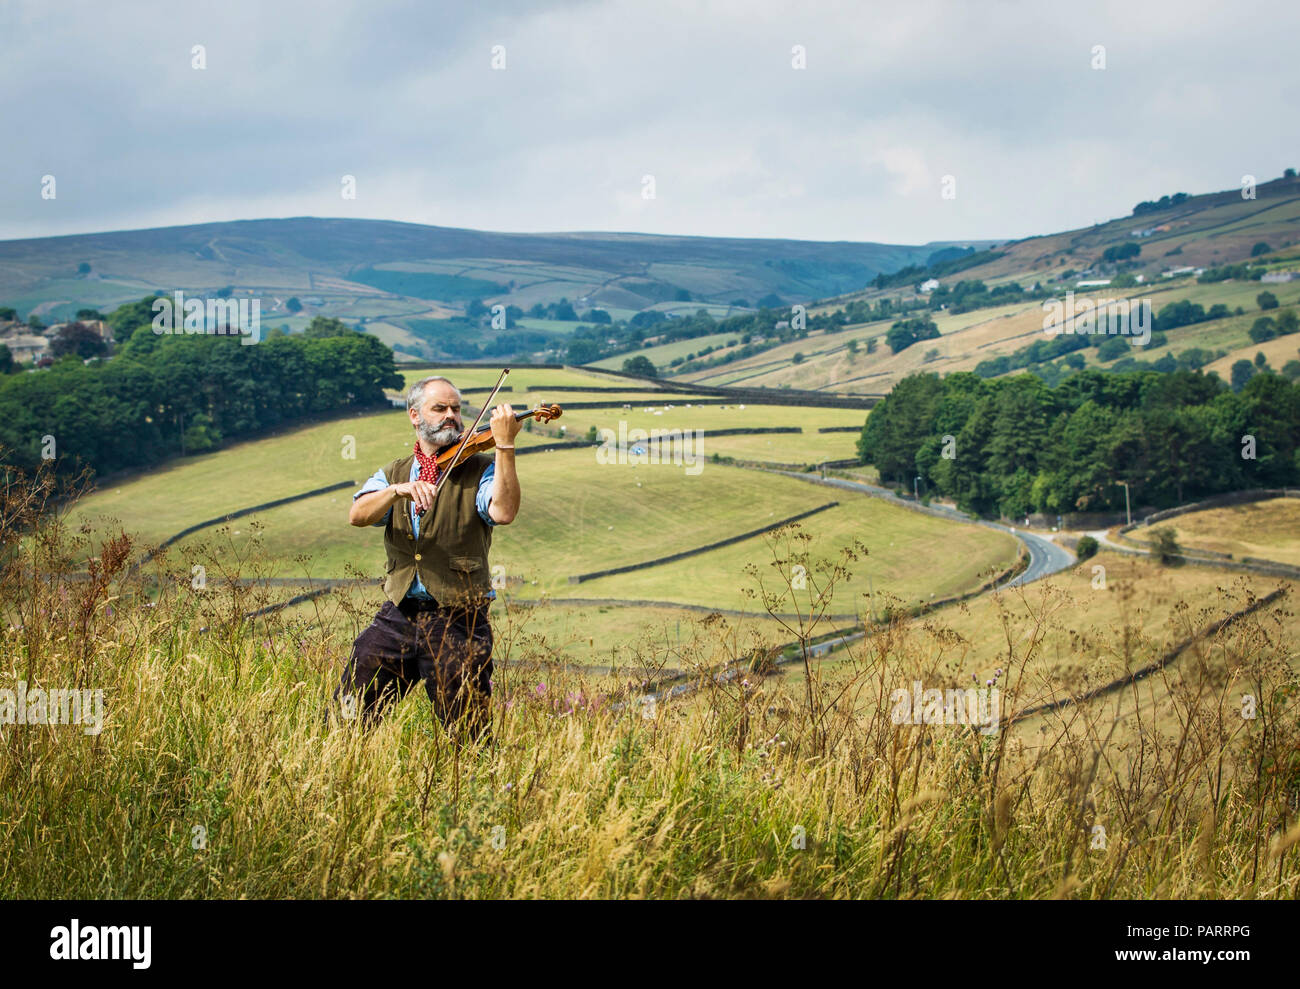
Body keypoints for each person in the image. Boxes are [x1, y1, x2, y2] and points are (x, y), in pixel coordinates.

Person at [334, 375, 521, 741]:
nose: (451, 416)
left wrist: (504, 447)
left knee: (467, 732)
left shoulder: (482, 468)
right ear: (414, 416)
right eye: (440, 408)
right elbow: (357, 515)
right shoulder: (395, 472)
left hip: (459, 619)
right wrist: (395, 492)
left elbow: (502, 511)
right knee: (350, 712)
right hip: (399, 613)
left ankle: (473, 789)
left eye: (456, 408)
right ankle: (341, 770)